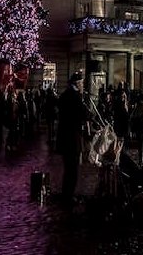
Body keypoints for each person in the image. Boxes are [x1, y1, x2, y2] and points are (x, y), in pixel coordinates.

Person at [57, 72, 92, 204]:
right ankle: (68, 195)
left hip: (65, 138)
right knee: (72, 169)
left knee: (68, 168)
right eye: (81, 82)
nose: (83, 85)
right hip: (72, 138)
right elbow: (84, 113)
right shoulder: (74, 96)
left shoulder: (66, 95)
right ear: (77, 84)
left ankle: (67, 194)